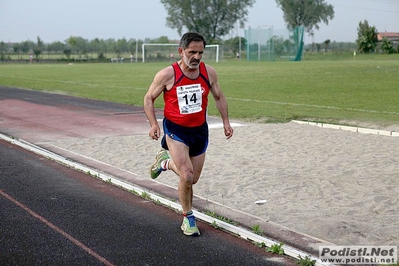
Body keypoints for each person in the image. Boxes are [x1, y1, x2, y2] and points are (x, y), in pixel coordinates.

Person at [143, 32, 234, 236]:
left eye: (200, 52)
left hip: (199, 130)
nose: (197, 57)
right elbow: (149, 98)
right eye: (192, 52)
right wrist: (153, 124)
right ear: (181, 51)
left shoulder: (208, 72)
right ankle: (188, 218)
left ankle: (165, 162)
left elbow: (219, 97)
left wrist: (226, 122)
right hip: (176, 130)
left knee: (193, 179)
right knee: (186, 173)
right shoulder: (167, 74)